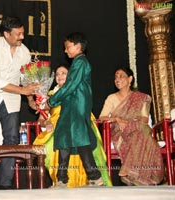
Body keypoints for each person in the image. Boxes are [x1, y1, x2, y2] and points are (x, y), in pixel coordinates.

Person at [0, 16, 39, 190]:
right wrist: (22, 91)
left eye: (23, 33)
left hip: (11, 98)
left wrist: (31, 99)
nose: (22, 37)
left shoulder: (24, 52)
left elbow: (26, 79)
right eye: (18, 33)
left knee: (12, 138)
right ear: (6, 34)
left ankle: (5, 182)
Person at [34, 64, 112, 188]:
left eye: (63, 73)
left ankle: (92, 178)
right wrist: (47, 122)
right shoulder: (49, 95)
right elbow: (41, 119)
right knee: (56, 145)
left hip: (77, 126)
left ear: (71, 75)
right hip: (58, 128)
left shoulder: (77, 91)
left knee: (82, 144)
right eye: (58, 74)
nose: (60, 76)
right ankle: (61, 180)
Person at [45, 32, 103, 187]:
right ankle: (62, 179)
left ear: (78, 46)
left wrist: (51, 101)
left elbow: (70, 86)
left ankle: (95, 176)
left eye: (67, 47)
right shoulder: (77, 63)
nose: (65, 51)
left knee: (80, 139)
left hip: (77, 107)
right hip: (70, 106)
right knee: (64, 138)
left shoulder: (81, 62)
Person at [99, 67, 164, 185]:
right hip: (119, 133)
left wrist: (130, 124)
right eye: (115, 77)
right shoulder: (111, 98)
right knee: (144, 136)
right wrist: (117, 119)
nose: (117, 79)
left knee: (141, 132)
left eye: (121, 76)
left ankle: (130, 171)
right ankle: (137, 174)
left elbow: (144, 118)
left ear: (130, 79)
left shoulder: (141, 98)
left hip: (137, 128)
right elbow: (102, 117)